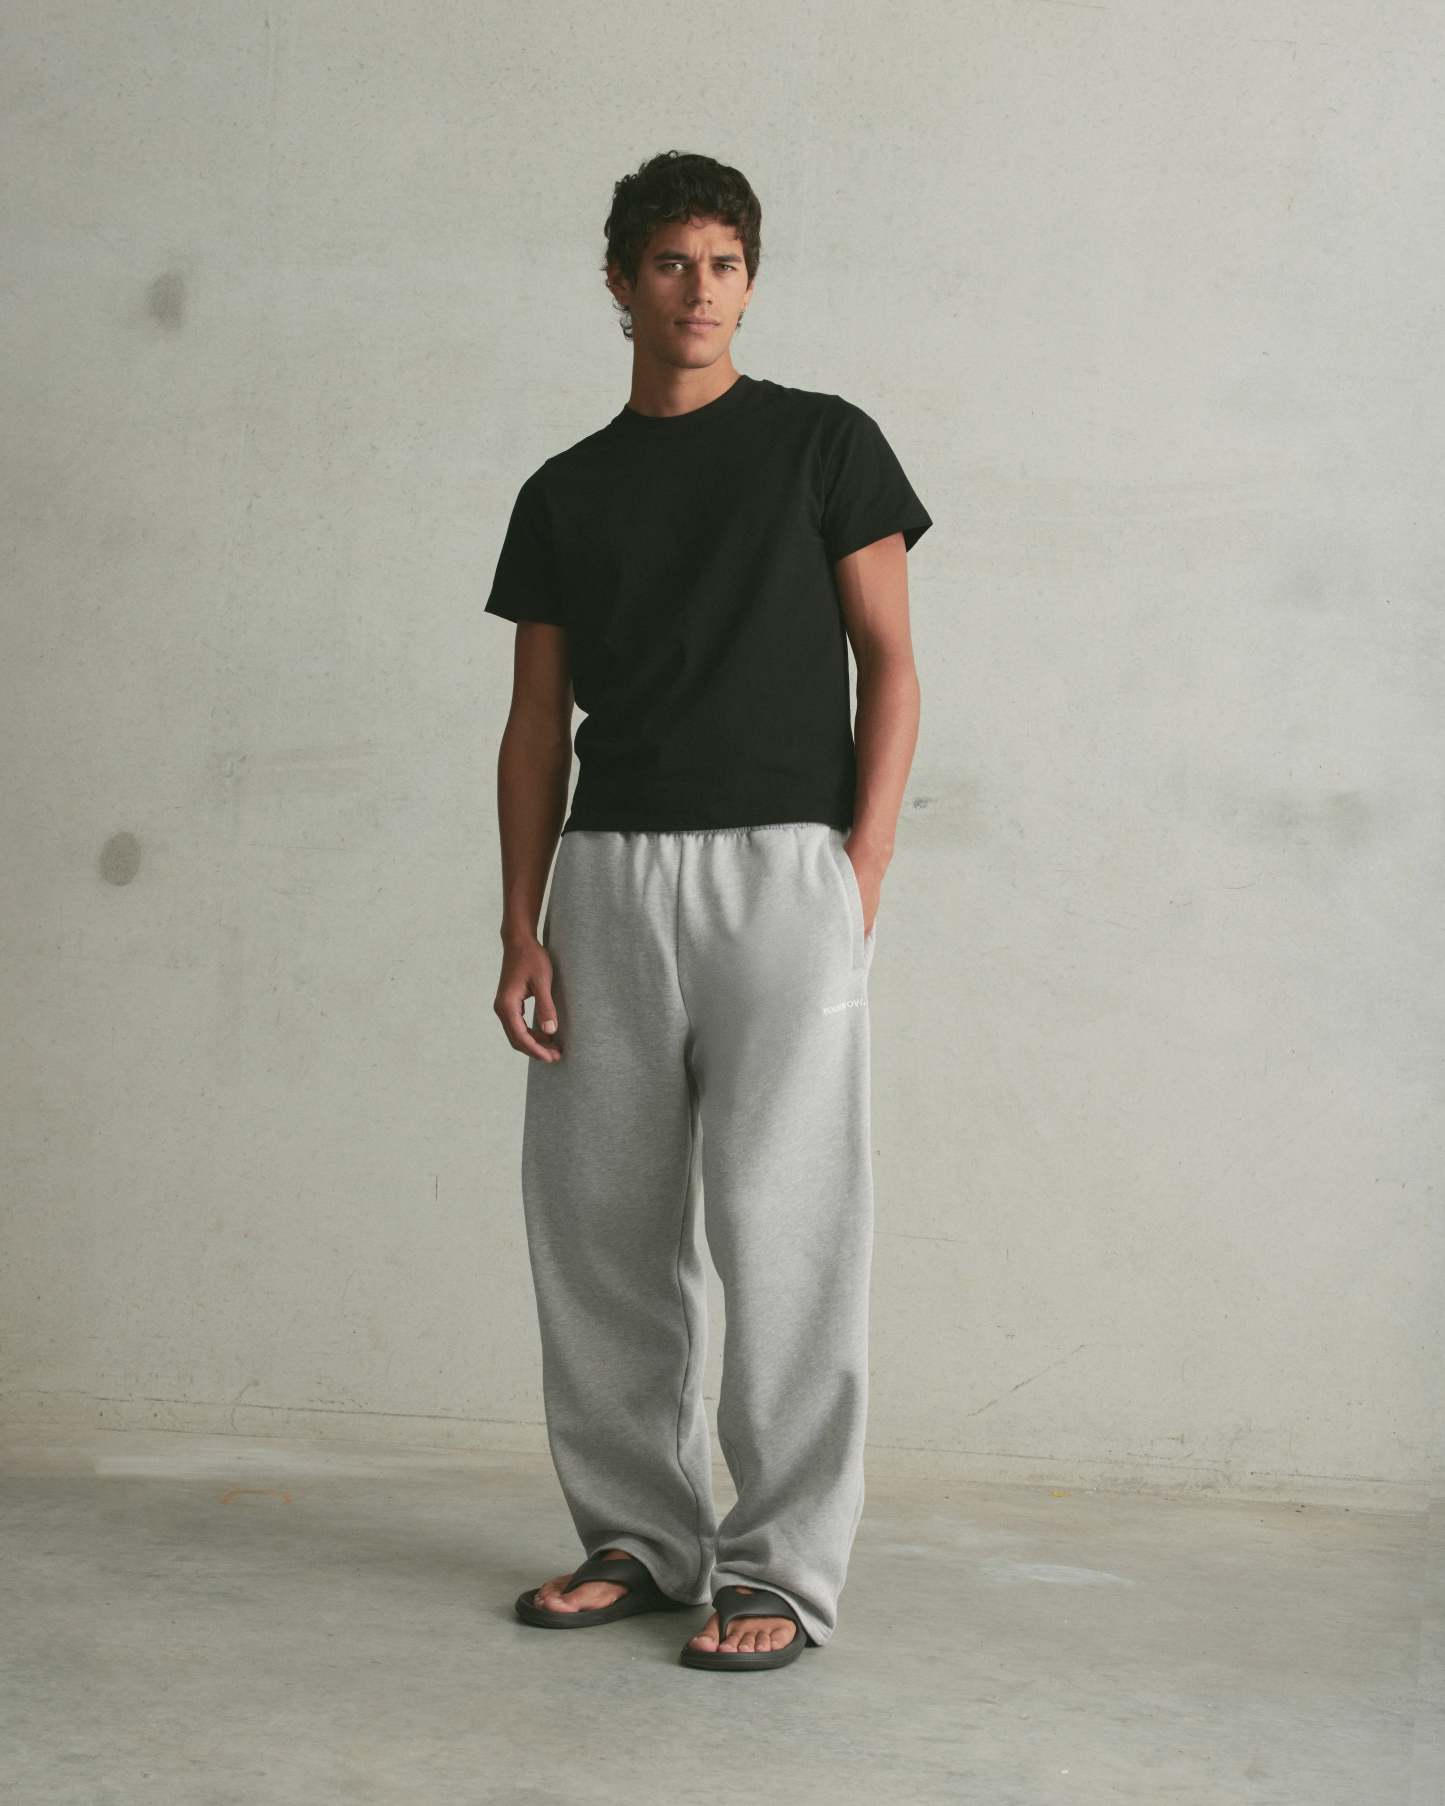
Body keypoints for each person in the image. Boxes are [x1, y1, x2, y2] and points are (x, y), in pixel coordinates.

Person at [485, 149, 931, 1672]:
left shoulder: (824, 444)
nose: (700, 290)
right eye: (672, 263)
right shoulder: (564, 490)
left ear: (751, 280)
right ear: (620, 281)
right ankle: (639, 1533)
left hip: (784, 872)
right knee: (598, 1224)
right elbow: (535, 724)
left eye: (726, 264)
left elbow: (892, 662)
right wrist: (520, 922)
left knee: (787, 1225)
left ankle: (782, 1572)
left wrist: (862, 866)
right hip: (608, 877)